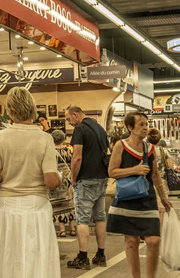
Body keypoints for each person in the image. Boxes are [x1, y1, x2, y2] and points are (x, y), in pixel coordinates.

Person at [0, 87, 61, 277]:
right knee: (36, 257)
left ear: (10, 109)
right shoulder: (45, 138)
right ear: (32, 108)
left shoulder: (0, 137)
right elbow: (51, 181)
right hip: (37, 207)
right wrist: (59, 177)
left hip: (7, 206)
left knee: (6, 256)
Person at [108, 112, 172, 278]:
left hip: (147, 198)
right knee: (131, 242)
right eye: (141, 124)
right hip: (127, 199)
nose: (145, 128)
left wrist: (163, 197)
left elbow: (155, 175)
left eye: (146, 124)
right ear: (130, 127)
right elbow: (112, 171)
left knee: (153, 240)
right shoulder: (120, 146)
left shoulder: (150, 149)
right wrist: (134, 170)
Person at [66, 106, 110, 270]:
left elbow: (77, 157)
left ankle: (83, 257)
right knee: (100, 217)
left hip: (86, 179)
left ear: (75, 115)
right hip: (102, 178)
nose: (69, 123)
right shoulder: (99, 128)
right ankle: (101, 255)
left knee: (82, 219)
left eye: (69, 119)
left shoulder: (80, 129)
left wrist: (73, 178)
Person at [52, 129, 77, 237]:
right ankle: (72, 228)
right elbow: (73, 164)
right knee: (69, 204)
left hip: (57, 178)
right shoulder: (69, 150)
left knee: (58, 204)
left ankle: (62, 230)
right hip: (68, 179)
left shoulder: (51, 151)